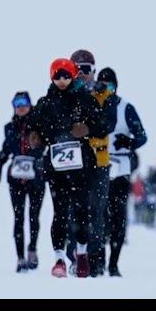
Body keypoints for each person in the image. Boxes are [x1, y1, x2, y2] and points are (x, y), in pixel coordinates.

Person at [28, 58, 113, 278]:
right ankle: (59, 260)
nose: (62, 80)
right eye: (58, 76)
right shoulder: (45, 103)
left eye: (66, 75)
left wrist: (86, 128)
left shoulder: (84, 99)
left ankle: (82, 254)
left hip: (83, 166)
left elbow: (103, 125)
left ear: (73, 75)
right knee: (60, 213)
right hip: (57, 168)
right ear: (51, 77)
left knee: (82, 211)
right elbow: (32, 128)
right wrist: (36, 138)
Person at [65, 49, 116, 277]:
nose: (82, 74)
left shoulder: (104, 93)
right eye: (77, 69)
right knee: (70, 211)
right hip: (72, 161)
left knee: (96, 211)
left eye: (86, 69)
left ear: (94, 70)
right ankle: (73, 256)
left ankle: (94, 261)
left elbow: (108, 123)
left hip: (98, 161)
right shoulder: (64, 93)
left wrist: (86, 129)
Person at [97, 67, 147, 277]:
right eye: (103, 86)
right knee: (98, 217)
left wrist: (129, 142)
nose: (107, 90)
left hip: (120, 170)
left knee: (118, 217)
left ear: (116, 87)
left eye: (110, 86)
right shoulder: (92, 106)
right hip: (97, 170)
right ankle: (97, 261)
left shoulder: (125, 108)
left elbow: (142, 136)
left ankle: (113, 263)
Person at [0, 91, 46, 273]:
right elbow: (5, 149)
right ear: (13, 107)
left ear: (30, 105)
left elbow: (44, 146)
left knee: (34, 216)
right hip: (16, 179)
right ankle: (20, 257)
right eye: (17, 103)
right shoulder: (10, 128)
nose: (21, 107)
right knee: (18, 218)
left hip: (36, 177)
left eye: (24, 103)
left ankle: (32, 250)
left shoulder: (39, 125)